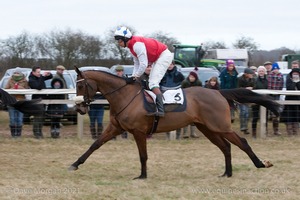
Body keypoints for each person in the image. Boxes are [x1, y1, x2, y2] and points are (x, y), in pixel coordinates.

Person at [114, 26, 173, 117]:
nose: (119, 43)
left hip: (164, 56)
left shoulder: (137, 45)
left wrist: (135, 76)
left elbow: (143, 65)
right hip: (158, 57)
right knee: (151, 82)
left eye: (120, 40)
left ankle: (161, 110)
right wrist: (133, 76)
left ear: (126, 39)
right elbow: (136, 64)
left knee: (153, 83)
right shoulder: (131, 47)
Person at [159, 61, 185, 140]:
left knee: (178, 115)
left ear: (173, 65)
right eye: (168, 64)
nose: (169, 66)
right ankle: (167, 136)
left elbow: (183, 83)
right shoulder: (161, 74)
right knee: (166, 115)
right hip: (165, 94)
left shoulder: (179, 74)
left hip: (176, 95)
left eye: (171, 64)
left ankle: (178, 136)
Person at [28, 66, 53, 139]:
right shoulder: (31, 79)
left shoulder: (39, 77)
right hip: (36, 100)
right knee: (37, 117)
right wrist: (42, 77)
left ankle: (40, 131)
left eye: (40, 72)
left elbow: (50, 77)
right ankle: (36, 133)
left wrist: (48, 74)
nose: (39, 73)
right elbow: (38, 86)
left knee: (42, 117)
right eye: (38, 72)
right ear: (33, 72)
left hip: (43, 99)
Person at [4, 69, 30, 138]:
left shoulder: (25, 81)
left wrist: (20, 88)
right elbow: (5, 89)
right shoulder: (10, 80)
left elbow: (27, 90)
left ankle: (18, 134)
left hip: (21, 102)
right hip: (11, 102)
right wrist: (12, 89)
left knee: (19, 119)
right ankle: (13, 134)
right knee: (12, 119)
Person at [46, 65, 67, 138]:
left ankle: (56, 133)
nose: (61, 71)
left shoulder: (61, 77)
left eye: (62, 70)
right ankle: (54, 133)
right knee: (54, 119)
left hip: (61, 99)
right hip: (57, 99)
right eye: (60, 70)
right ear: (57, 70)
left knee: (58, 118)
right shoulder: (56, 78)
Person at [181, 68, 202, 138]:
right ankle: (185, 133)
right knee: (186, 117)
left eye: (193, 77)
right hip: (186, 101)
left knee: (194, 117)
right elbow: (181, 90)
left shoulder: (198, 82)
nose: (191, 78)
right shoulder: (185, 82)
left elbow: (200, 92)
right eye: (190, 77)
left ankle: (193, 133)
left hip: (195, 101)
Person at [280, 68, 300, 136]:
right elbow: (290, 88)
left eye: (297, 74)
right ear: (291, 74)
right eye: (294, 74)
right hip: (289, 100)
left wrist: (298, 82)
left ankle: (296, 132)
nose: (295, 75)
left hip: (298, 102)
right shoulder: (289, 80)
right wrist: (294, 82)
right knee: (289, 117)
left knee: (296, 117)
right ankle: (290, 133)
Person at [251, 66, 268, 138]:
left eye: (262, 71)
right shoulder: (254, 80)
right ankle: (254, 133)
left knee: (265, 117)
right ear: (258, 72)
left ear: (265, 72)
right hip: (256, 100)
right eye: (260, 71)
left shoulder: (267, 80)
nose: (261, 72)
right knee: (255, 117)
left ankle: (265, 131)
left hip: (265, 100)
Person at [237, 68, 255, 135]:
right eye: (250, 74)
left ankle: (245, 127)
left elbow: (255, 86)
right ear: (246, 74)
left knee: (248, 113)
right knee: (243, 112)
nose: (251, 75)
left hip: (249, 98)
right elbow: (237, 88)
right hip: (241, 98)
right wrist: (245, 89)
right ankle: (243, 127)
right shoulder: (239, 79)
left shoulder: (252, 79)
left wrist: (252, 88)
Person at [267, 62, 284, 136]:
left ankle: (276, 130)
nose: (276, 70)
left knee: (276, 113)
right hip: (270, 95)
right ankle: (265, 130)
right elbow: (268, 85)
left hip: (277, 95)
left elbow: (282, 85)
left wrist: (278, 92)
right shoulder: (269, 75)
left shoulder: (281, 75)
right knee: (268, 113)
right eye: (275, 69)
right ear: (273, 69)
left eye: (277, 69)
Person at [113, 65, 128, 139]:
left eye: (120, 71)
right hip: (116, 103)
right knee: (114, 119)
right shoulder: (114, 80)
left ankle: (124, 136)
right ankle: (113, 136)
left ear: (122, 71)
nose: (119, 73)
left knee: (124, 119)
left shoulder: (126, 80)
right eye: (117, 71)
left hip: (124, 103)